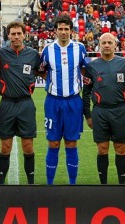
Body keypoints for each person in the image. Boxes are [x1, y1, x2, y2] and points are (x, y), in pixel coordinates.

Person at [82, 32, 125, 184]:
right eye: (103, 43)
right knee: (102, 149)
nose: (106, 45)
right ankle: (103, 185)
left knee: (120, 148)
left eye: (109, 43)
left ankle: (121, 184)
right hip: (99, 112)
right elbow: (85, 93)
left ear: (115, 45)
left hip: (120, 110)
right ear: (98, 45)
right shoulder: (91, 66)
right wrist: (88, 115)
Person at [39, 14, 87, 185]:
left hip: (73, 102)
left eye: (67, 29)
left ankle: (72, 184)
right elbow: (40, 69)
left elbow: (84, 69)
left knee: (71, 143)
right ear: (55, 31)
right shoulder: (47, 50)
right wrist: (51, 80)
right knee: (53, 143)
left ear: (71, 31)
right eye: (60, 29)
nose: (64, 32)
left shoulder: (80, 48)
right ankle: (49, 185)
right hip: (53, 102)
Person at [0, 21, 41, 185]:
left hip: (26, 104)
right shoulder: (0, 53)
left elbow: (42, 72)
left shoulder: (33, 54)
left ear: (24, 35)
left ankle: (30, 183)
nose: (16, 37)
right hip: (6, 103)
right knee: (5, 146)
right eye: (12, 34)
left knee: (28, 145)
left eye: (18, 33)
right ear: (8, 35)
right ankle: (1, 183)